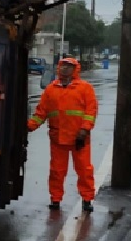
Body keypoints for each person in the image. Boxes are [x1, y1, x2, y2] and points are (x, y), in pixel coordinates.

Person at [27, 57, 98, 212]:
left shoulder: (85, 88)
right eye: (63, 65)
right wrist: (29, 126)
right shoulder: (50, 89)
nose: (65, 68)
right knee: (56, 171)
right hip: (58, 138)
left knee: (84, 170)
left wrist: (84, 130)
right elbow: (41, 113)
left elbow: (90, 111)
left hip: (79, 138)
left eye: (69, 66)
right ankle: (55, 199)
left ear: (75, 69)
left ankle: (87, 199)